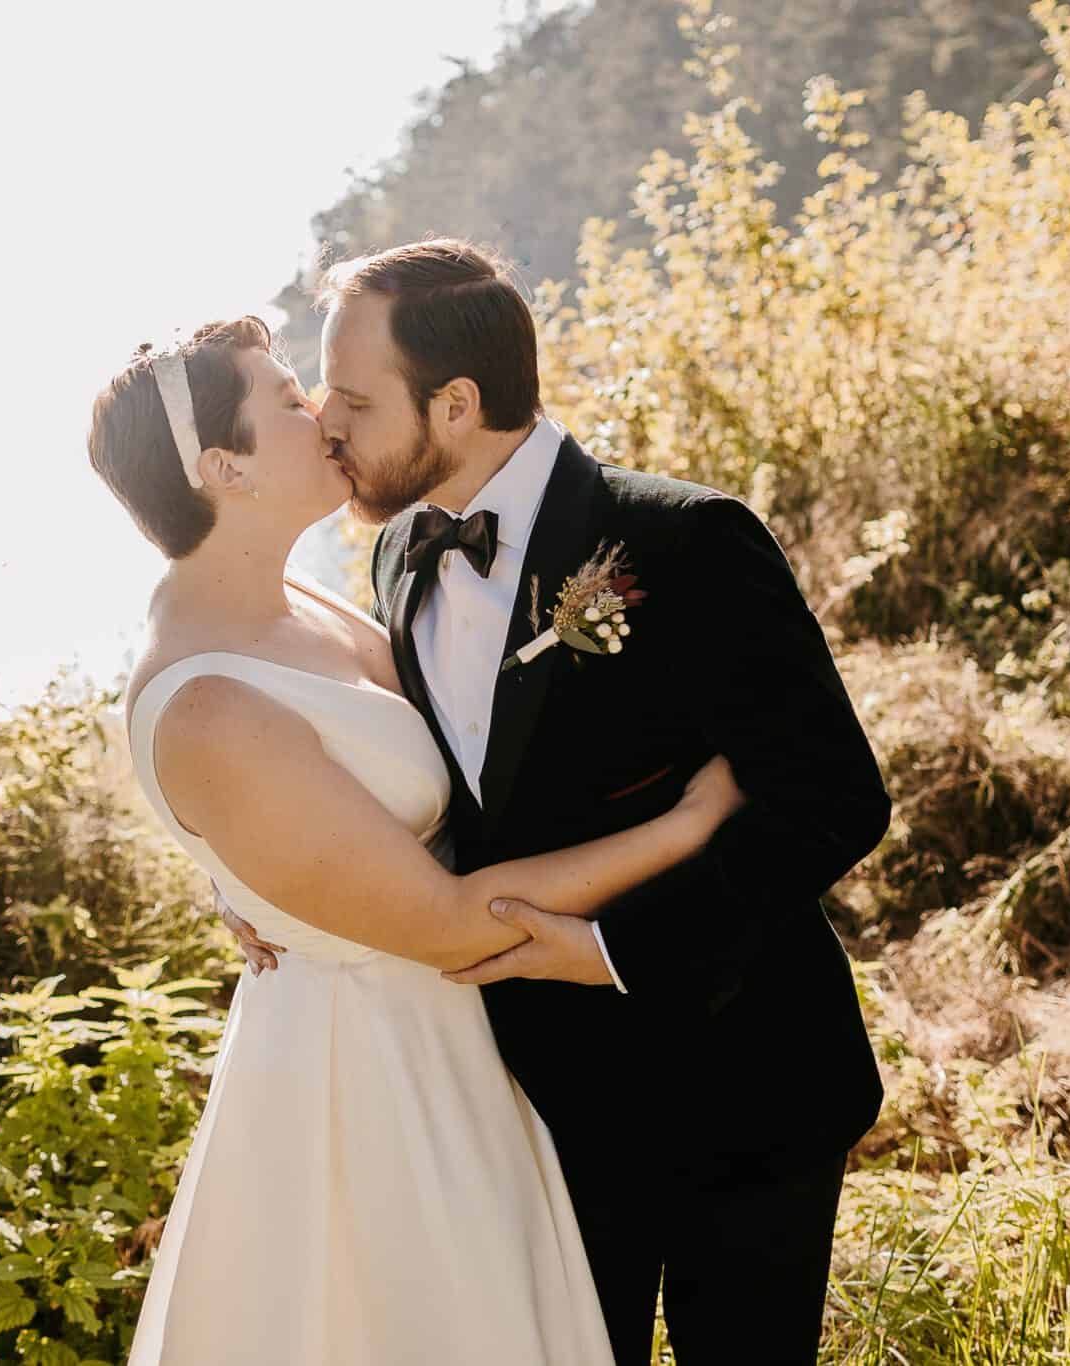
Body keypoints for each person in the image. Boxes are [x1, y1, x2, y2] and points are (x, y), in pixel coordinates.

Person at [222, 238, 893, 1365]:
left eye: (350, 394)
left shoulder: (684, 541)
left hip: (744, 1076)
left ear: (454, 402)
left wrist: (614, 948)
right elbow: (424, 796)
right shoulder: (396, 561)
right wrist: (267, 888)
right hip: (538, 1104)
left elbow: (832, 799)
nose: (326, 422)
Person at [88, 313, 749, 1365]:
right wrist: (692, 822)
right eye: (288, 399)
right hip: (373, 1084)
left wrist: (256, 883)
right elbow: (444, 924)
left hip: (456, 1044)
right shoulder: (210, 704)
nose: (322, 416)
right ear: (224, 467)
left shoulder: (297, 598)